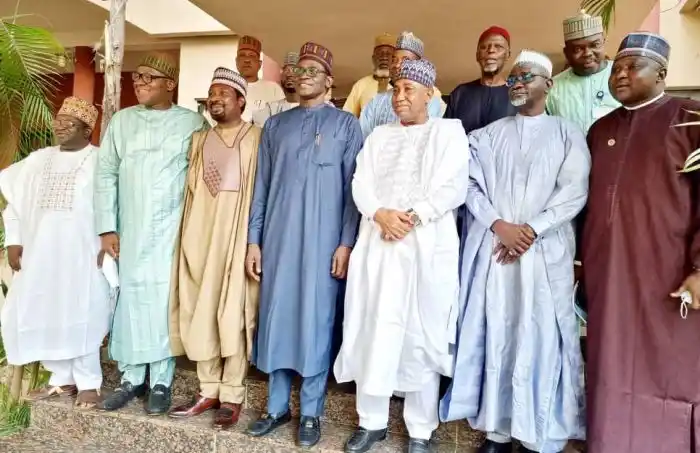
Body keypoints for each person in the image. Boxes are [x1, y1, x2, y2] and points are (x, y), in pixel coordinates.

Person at [440, 50, 589, 453]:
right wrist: (499, 225)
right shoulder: (486, 135)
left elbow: (574, 191)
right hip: (496, 251)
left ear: (548, 84)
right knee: (498, 334)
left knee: (540, 336)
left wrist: (531, 230)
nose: (518, 83)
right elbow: (468, 184)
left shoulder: (567, 133)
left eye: (527, 77)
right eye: (513, 78)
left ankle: (539, 432)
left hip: (543, 255)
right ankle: (497, 430)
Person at [335, 59, 469, 453]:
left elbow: (453, 187)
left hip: (426, 249)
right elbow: (360, 183)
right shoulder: (378, 137)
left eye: (409, 89)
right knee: (373, 328)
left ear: (430, 94)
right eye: (396, 89)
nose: (399, 96)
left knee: (422, 334)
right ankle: (371, 422)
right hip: (379, 246)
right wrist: (380, 214)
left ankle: (420, 430)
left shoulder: (449, 132)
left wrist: (411, 217)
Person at [582, 32, 700, 453]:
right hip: (609, 273)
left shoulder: (691, 120)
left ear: (662, 73)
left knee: (669, 366)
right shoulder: (599, 130)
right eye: (616, 68)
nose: (620, 74)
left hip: (669, 273)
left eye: (633, 67)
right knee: (609, 363)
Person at [244, 41, 363, 447]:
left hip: (323, 242)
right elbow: (261, 187)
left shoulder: (346, 126)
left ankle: (311, 412)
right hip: (278, 239)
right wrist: (254, 240)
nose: (305, 75)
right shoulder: (276, 126)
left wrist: (346, 243)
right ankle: (276, 407)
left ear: (329, 81)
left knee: (317, 320)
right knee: (277, 317)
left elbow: (353, 193)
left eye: (315, 70)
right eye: (301, 69)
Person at [95, 52, 206, 414]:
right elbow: (106, 173)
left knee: (162, 302)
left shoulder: (193, 123)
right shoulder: (122, 121)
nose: (139, 83)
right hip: (129, 228)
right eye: (137, 77)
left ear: (170, 84)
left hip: (171, 230)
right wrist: (107, 227)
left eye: (148, 77)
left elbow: (203, 176)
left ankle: (161, 381)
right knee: (130, 300)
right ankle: (130, 378)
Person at [0, 97, 111, 410]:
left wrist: (108, 241)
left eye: (69, 123)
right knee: (46, 307)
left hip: (82, 252)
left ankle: (88, 382)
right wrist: (13, 241)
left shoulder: (99, 161)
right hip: (40, 253)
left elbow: (112, 204)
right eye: (58, 120)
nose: (60, 127)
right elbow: (14, 203)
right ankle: (61, 378)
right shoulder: (38, 160)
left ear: (87, 130)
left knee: (83, 310)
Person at [168, 68, 260, 429]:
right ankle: (207, 389)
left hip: (236, 236)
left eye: (224, 93)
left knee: (234, 312)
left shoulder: (257, 138)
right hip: (199, 235)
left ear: (241, 101)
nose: (215, 99)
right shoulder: (198, 140)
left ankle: (232, 394)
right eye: (211, 93)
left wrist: (255, 241)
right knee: (200, 309)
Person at [359, 31, 445, 139]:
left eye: (406, 60)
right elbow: (363, 138)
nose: (397, 65)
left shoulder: (431, 101)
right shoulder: (376, 102)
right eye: (394, 60)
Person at [546, 10, 619, 133]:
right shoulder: (553, 88)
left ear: (603, 43)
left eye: (595, 45)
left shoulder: (622, 77)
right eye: (577, 49)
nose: (587, 53)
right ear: (566, 53)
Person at [445, 26, 516, 135]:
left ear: (508, 55)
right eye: (484, 47)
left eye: (498, 47)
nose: (491, 50)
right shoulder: (460, 93)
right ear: (477, 55)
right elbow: (446, 135)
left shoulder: (517, 95)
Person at [342, 33, 396, 117]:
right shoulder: (360, 85)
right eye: (380, 54)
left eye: (388, 54)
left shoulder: (401, 84)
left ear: (394, 59)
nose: (384, 58)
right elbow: (347, 117)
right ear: (373, 59)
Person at [236, 35, 285, 122]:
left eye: (252, 56)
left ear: (259, 64)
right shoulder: (228, 89)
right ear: (236, 61)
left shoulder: (273, 89)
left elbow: (282, 120)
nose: (247, 60)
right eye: (242, 55)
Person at [252, 52, 300, 127]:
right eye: (286, 70)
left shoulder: (312, 108)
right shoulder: (271, 108)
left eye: (295, 70)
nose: (289, 74)